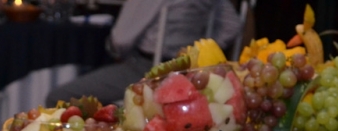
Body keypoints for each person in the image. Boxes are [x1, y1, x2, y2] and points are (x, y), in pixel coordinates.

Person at [45, 0, 243, 108]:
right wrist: (201, 48)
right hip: (192, 74)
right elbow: (232, 26)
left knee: (59, 97)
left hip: (148, 69)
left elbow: (120, 39)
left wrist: (116, 50)